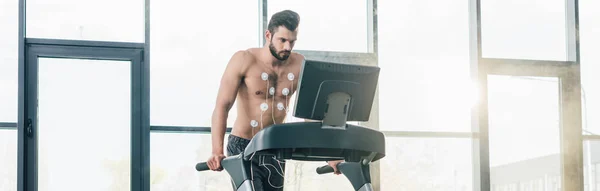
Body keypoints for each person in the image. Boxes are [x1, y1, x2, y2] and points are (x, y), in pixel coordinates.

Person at [205, 10, 342, 190]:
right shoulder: (244, 59)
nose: (287, 47)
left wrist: (329, 154)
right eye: (282, 40)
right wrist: (217, 151)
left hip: (276, 146)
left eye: (292, 42)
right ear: (268, 35)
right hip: (243, 146)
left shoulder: (300, 64)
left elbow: (310, 115)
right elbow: (222, 107)